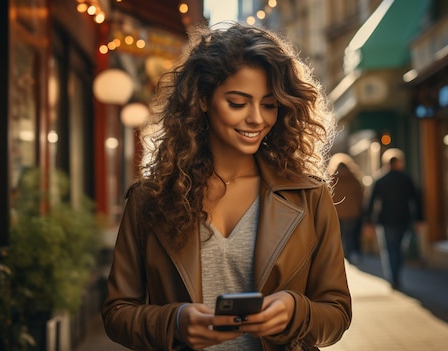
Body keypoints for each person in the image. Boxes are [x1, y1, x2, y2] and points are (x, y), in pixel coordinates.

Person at [102, 22, 351, 351]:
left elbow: (337, 312)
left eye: (269, 104)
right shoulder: (150, 199)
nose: (257, 119)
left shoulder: (309, 197)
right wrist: (174, 323)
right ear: (203, 100)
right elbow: (117, 313)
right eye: (237, 103)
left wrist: (295, 311)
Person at [364, 148, 423, 290]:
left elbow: (371, 202)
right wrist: (419, 219)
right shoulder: (406, 178)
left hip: (385, 220)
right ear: (399, 162)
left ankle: (393, 277)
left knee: (390, 249)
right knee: (399, 249)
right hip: (403, 219)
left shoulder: (380, 179)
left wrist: (368, 222)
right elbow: (416, 200)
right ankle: (396, 276)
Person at [328, 153, 364, 264]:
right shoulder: (355, 179)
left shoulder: (331, 180)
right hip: (353, 214)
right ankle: (352, 255)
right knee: (351, 235)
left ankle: (342, 257)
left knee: (339, 236)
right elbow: (361, 196)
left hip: (337, 213)